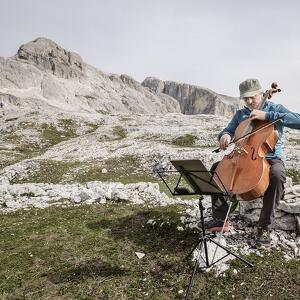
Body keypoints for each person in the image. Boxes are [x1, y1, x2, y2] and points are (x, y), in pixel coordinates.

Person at [205, 78, 300, 246]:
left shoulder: (274, 109)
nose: (249, 102)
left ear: (261, 94)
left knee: (277, 175)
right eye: (245, 98)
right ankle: (220, 219)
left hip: (270, 158)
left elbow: (298, 121)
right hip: (242, 156)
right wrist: (225, 136)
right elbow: (227, 130)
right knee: (216, 168)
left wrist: (268, 115)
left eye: (252, 98)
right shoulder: (241, 114)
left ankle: (264, 227)